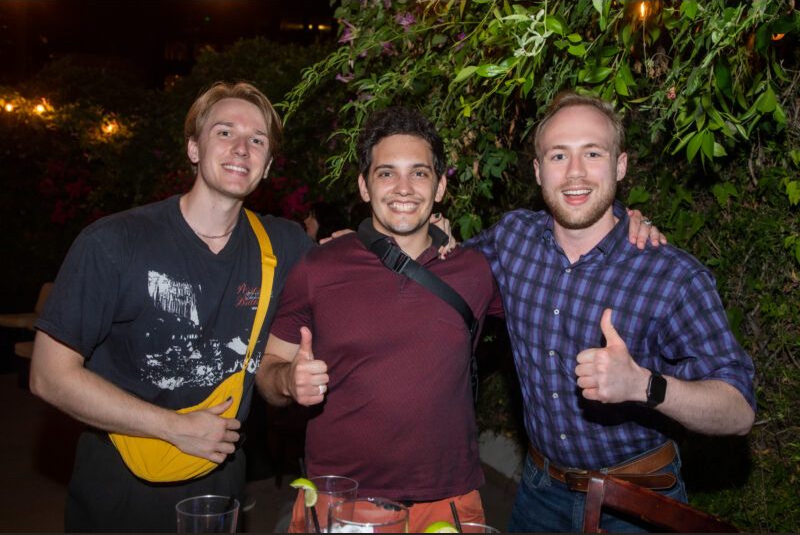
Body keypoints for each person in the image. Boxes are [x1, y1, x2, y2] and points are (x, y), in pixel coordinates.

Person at [29, 82, 314, 532]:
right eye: (224, 132)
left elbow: (355, 266)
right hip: (121, 483)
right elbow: (48, 374)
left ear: (268, 165)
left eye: (257, 140)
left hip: (220, 480)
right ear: (194, 149)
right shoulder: (114, 242)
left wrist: (436, 241)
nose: (242, 148)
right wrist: (172, 427)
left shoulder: (285, 245)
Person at [465, 92, 756, 532]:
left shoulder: (672, 276)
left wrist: (645, 385)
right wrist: (366, 240)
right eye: (559, 155)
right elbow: (441, 267)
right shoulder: (512, 239)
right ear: (538, 170)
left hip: (635, 501)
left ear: (620, 165)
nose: (576, 173)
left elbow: (738, 412)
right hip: (539, 491)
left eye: (593, 153)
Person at [257, 107, 505, 532]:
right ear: (364, 186)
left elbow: (552, 282)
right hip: (343, 500)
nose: (403, 188)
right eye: (386, 173)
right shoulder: (319, 268)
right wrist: (287, 381)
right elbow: (267, 373)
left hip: (447, 501)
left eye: (420, 173)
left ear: (441, 186)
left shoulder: (476, 271)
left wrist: (628, 223)